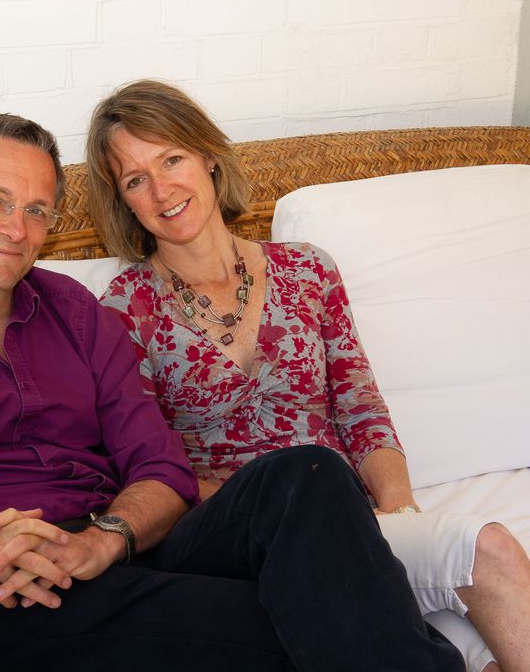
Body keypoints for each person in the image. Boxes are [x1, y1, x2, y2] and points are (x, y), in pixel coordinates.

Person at [0, 113, 464, 672]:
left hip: (117, 547)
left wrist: (104, 539)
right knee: (320, 615)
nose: (17, 228)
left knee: (309, 470)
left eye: (37, 209)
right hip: (11, 595)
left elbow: (163, 471)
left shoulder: (78, 314)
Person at [88, 79, 530, 672]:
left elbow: (361, 407)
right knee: (302, 478)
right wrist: (294, 511)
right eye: (136, 179)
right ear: (125, 201)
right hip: (219, 529)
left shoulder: (307, 270)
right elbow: (146, 464)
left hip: (342, 515)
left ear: (209, 158)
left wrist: (395, 515)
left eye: (172, 159)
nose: (162, 189)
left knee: (493, 549)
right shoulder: (124, 307)